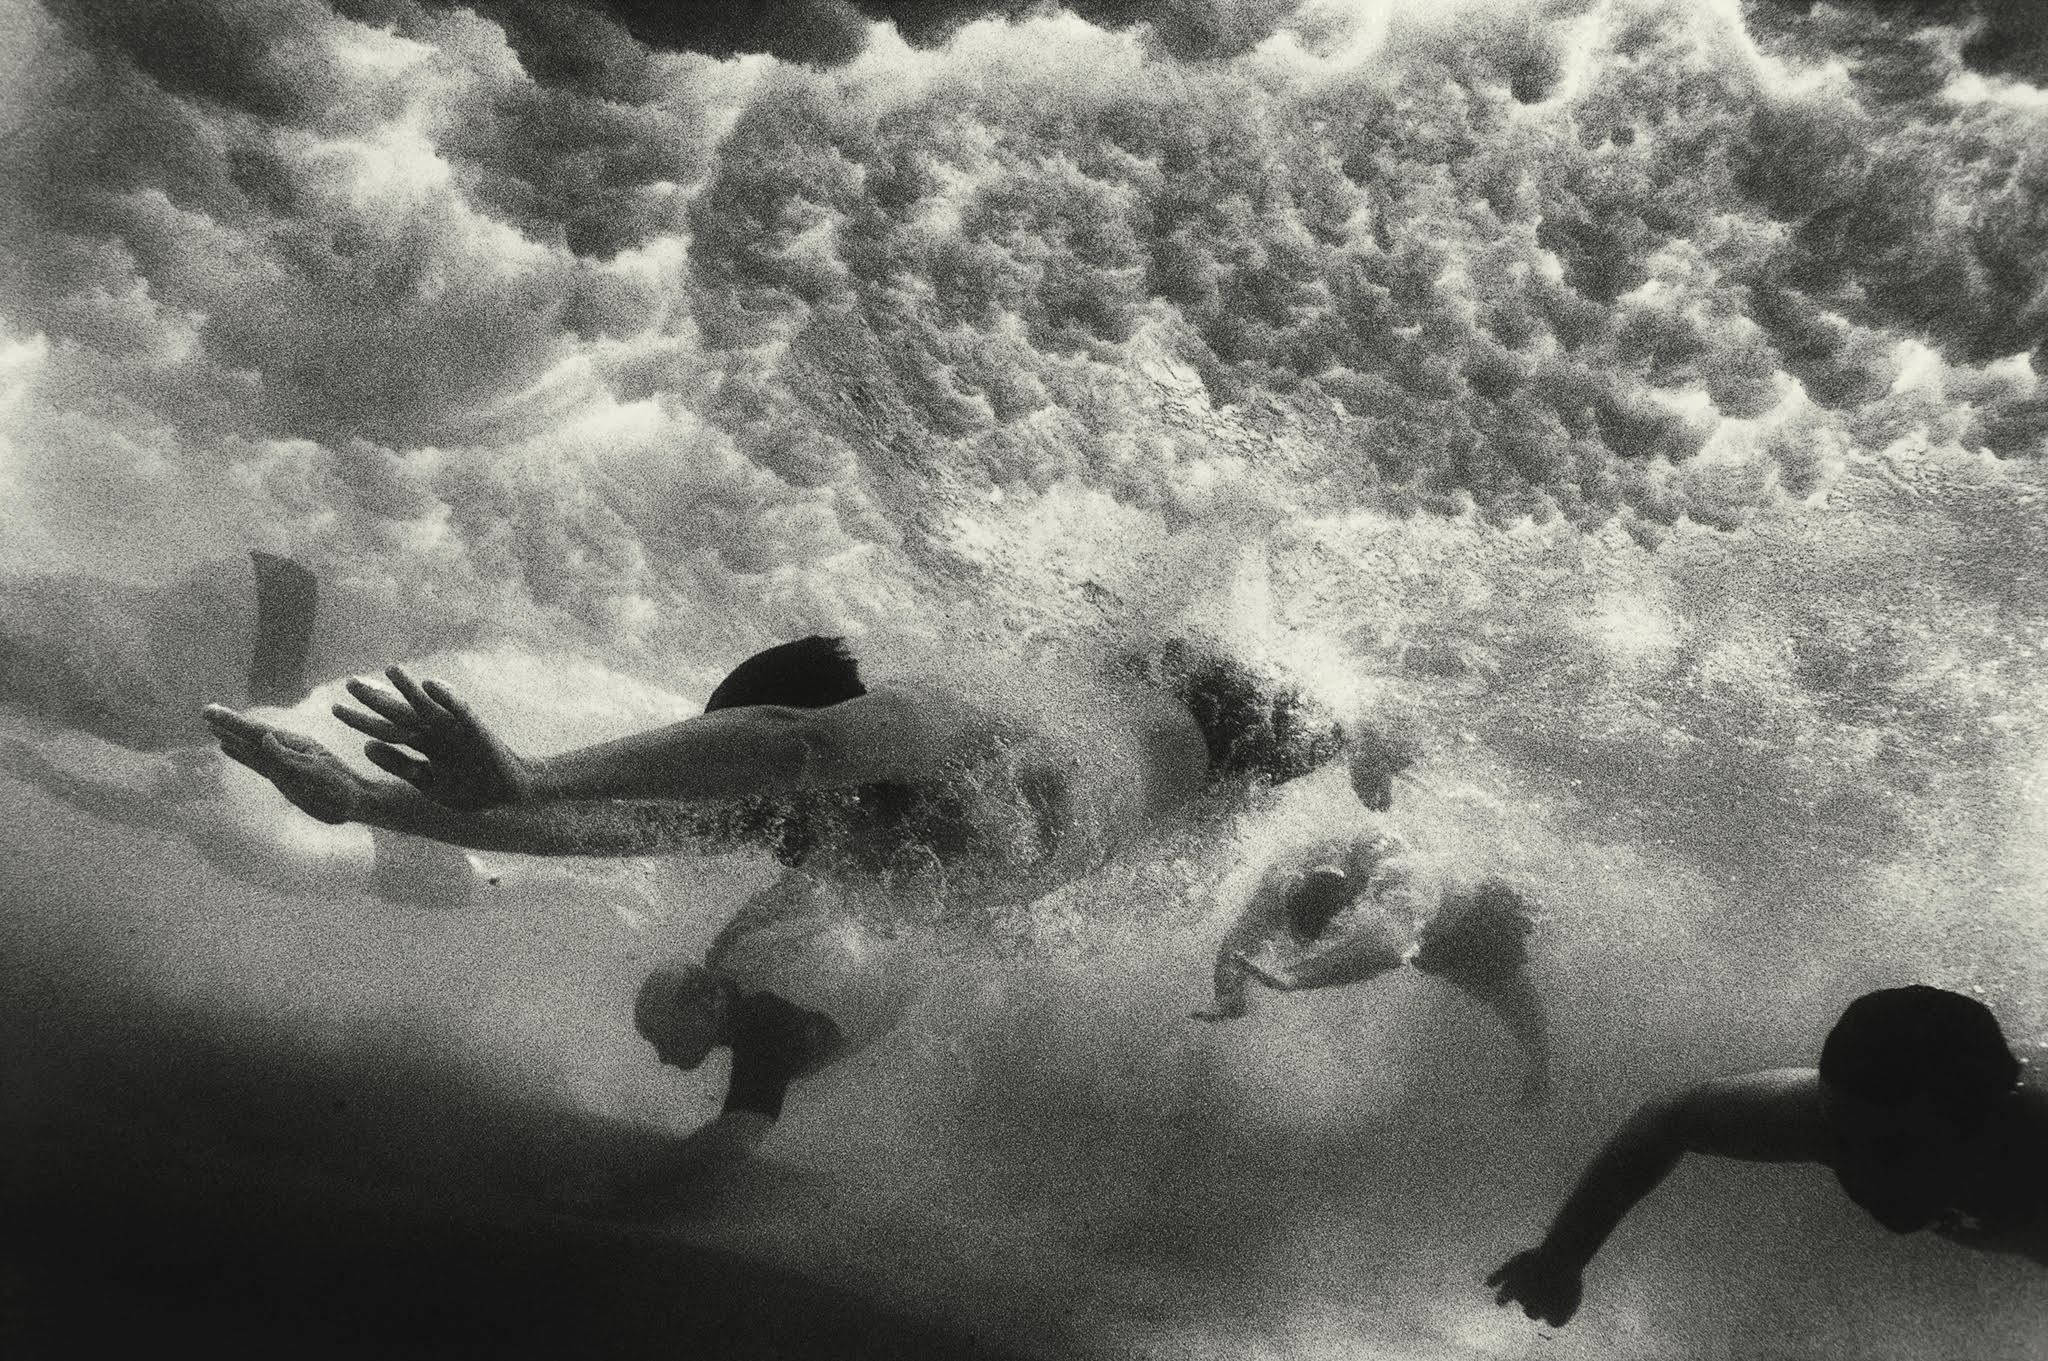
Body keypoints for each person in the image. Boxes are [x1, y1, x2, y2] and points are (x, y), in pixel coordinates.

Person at [200, 634, 1412, 922]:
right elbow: (617, 826)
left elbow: (800, 744)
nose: (768, 814)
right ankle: (1366, 735)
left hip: (1163, 736)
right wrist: (363, 802)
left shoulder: (935, 719)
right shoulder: (813, 800)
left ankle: (1380, 728)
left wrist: (523, 772)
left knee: (1323, 724)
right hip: (1109, 807)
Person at [1489, 985, 2048, 1328]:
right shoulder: (1843, 1116)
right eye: (1839, 1137)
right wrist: (1563, 1257)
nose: (1859, 1170)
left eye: (1893, 1149)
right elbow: (1669, 1120)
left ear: (1984, 1120)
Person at [1193, 831, 1552, 1106]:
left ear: (1349, 893)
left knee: (1503, 985)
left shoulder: (1396, 871)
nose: (1331, 935)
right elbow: (1242, 934)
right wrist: (1227, 991)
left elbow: (1390, 944)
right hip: (1425, 933)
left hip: (1473, 919)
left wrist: (1299, 978)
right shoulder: (1286, 876)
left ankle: (1540, 1063)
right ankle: (1538, 1059)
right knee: (1451, 965)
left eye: (1335, 926)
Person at [0, 728, 484, 910]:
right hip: (348, 865)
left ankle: (41, 770)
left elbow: (127, 804)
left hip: (342, 864)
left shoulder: (222, 817)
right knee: (501, 876)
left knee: (501, 877)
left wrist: (47, 776)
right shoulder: (223, 815)